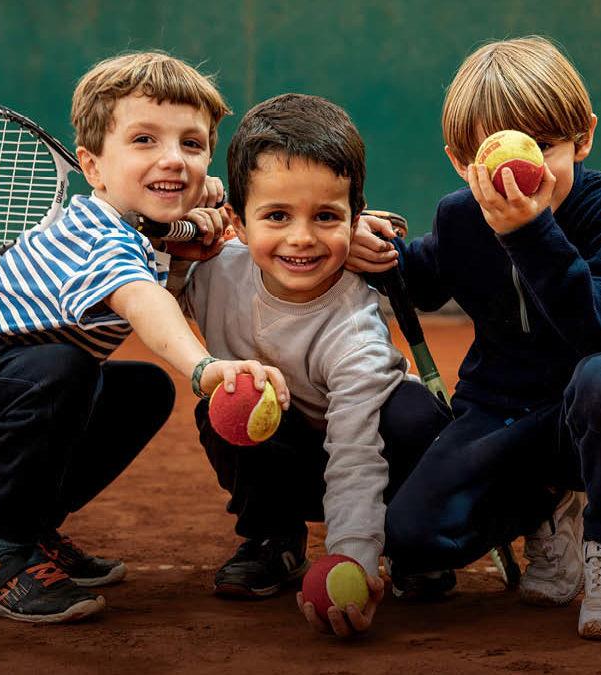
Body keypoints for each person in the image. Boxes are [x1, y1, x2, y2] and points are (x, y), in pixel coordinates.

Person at [0, 52, 289, 624]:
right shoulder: (97, 232)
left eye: (191, 145)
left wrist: (191, 237)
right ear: (92, 167)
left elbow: (171, 272)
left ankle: (33, 530)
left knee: (139, 390)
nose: (172, 158)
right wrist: (204, 367)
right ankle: (1, 559)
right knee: (63, 370)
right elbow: (143, 301)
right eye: (143, 140)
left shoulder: (142, 229)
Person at [350, 36, 601, 640]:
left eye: (545, 148)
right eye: (492, 157)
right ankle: (548, 506)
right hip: (500, 411)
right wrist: (376, 249)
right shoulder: (461, 215)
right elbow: (423, 281)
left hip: (594, 406)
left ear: (582, 138)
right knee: (413, 539)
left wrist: (531, 234)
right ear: (460, 159)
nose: (518, 175)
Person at [178, 93, 451, 637]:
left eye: (326, 216)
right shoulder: (210, 274)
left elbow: (355, 456)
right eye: (276, 216)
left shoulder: (355, 329)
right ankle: (273, 538)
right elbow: (141, 281)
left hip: (369, 452)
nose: (301, 238)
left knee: (416, 415)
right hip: (291, 459)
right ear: (236, 218)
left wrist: (353, 558)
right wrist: (184, 215)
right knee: (226, 402)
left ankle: (406, 541)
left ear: (356, 219)